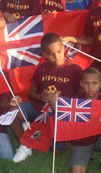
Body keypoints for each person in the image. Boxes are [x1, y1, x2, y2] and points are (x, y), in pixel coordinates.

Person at [11, 33, 83, 163]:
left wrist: (61, 100)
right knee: (13, 112)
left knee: (57, 152)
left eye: (59, 52)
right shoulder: (42, 69)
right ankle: (26, 144)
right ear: (44, 54)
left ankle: (38, 130)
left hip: (59, 115)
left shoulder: (75, 69)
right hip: (39, 109)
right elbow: (30, 93)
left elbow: (81, 97)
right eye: (51, 54)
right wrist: (40, 96)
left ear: (64, 48)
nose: (56, 57)